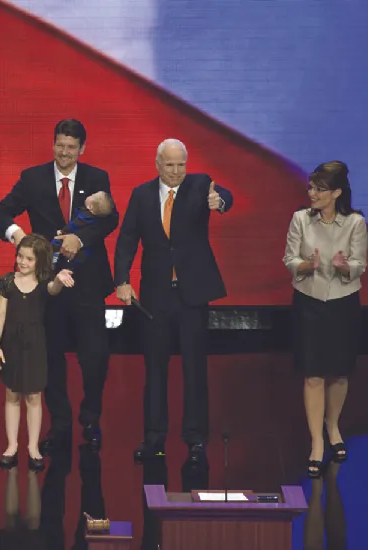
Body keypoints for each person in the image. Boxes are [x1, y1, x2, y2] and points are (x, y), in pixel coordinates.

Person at [0, 119, 118, 455]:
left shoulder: (96, 178)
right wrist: (18, 236)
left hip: (88, 283)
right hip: (47, 285)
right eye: (60, 145)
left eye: (71, 147)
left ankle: (90, 420)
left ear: (82, 149)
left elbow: (111, 218)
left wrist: (80, 237)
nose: (64, 152)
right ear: (53, 144)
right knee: (51, 357)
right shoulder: (33, 178)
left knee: (95, 356)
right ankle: (59, 424)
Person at [114, 138, 233, 463]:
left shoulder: (200, 185)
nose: (177, 171)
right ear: (157, 164)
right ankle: (154, 437)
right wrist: (122, 280)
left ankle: (195, 438)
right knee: (155, 369)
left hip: (192, 293)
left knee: (195, 367)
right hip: (155, 296)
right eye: (170, 165)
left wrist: (218, 201)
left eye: (181, 164)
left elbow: (224, 197)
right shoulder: (141, 195)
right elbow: (126, 239)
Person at [282, 161, 366, 478]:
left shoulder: (355, 222)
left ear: (336, 192)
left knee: (339, 373)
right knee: (313, 374)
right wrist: (307, 265)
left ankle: (333, 427)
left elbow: (360, 264)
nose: (312, 193)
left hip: (344, 303)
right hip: (309, 302)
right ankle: (317, 441)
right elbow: (289, 259)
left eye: (319, 189)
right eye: (311, 187)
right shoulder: (300, 220)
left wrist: (345, 267)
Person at [0, 235, 75, 471]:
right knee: (12, 394)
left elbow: (54, 289)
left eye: (29, 258)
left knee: (34, 396)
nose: (23, 262)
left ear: (40, 261)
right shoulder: (7, 281)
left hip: (36, 344)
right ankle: (11, 446)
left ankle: (33, 447)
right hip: (11, 344)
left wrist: (59, 278)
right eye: (20, 256)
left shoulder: (45, 281)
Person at [51, 191, 114, 271]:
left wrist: (62, 231)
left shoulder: (84, 217)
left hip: (72, 243)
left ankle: (53, 261)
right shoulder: (92, 217)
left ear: (90, 206)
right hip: (84, 252)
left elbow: (73, 225)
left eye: (92, 195)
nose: (89, 195)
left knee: (55, 243)